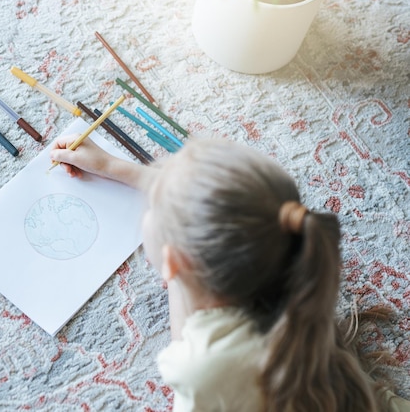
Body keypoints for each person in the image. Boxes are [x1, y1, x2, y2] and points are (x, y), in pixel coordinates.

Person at [50, 134, 410, 412]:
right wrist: (113, 167)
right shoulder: (288, 258)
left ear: (174, 263)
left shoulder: (202, 368)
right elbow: (223, 211)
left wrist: (176, 280)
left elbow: (185, 340)